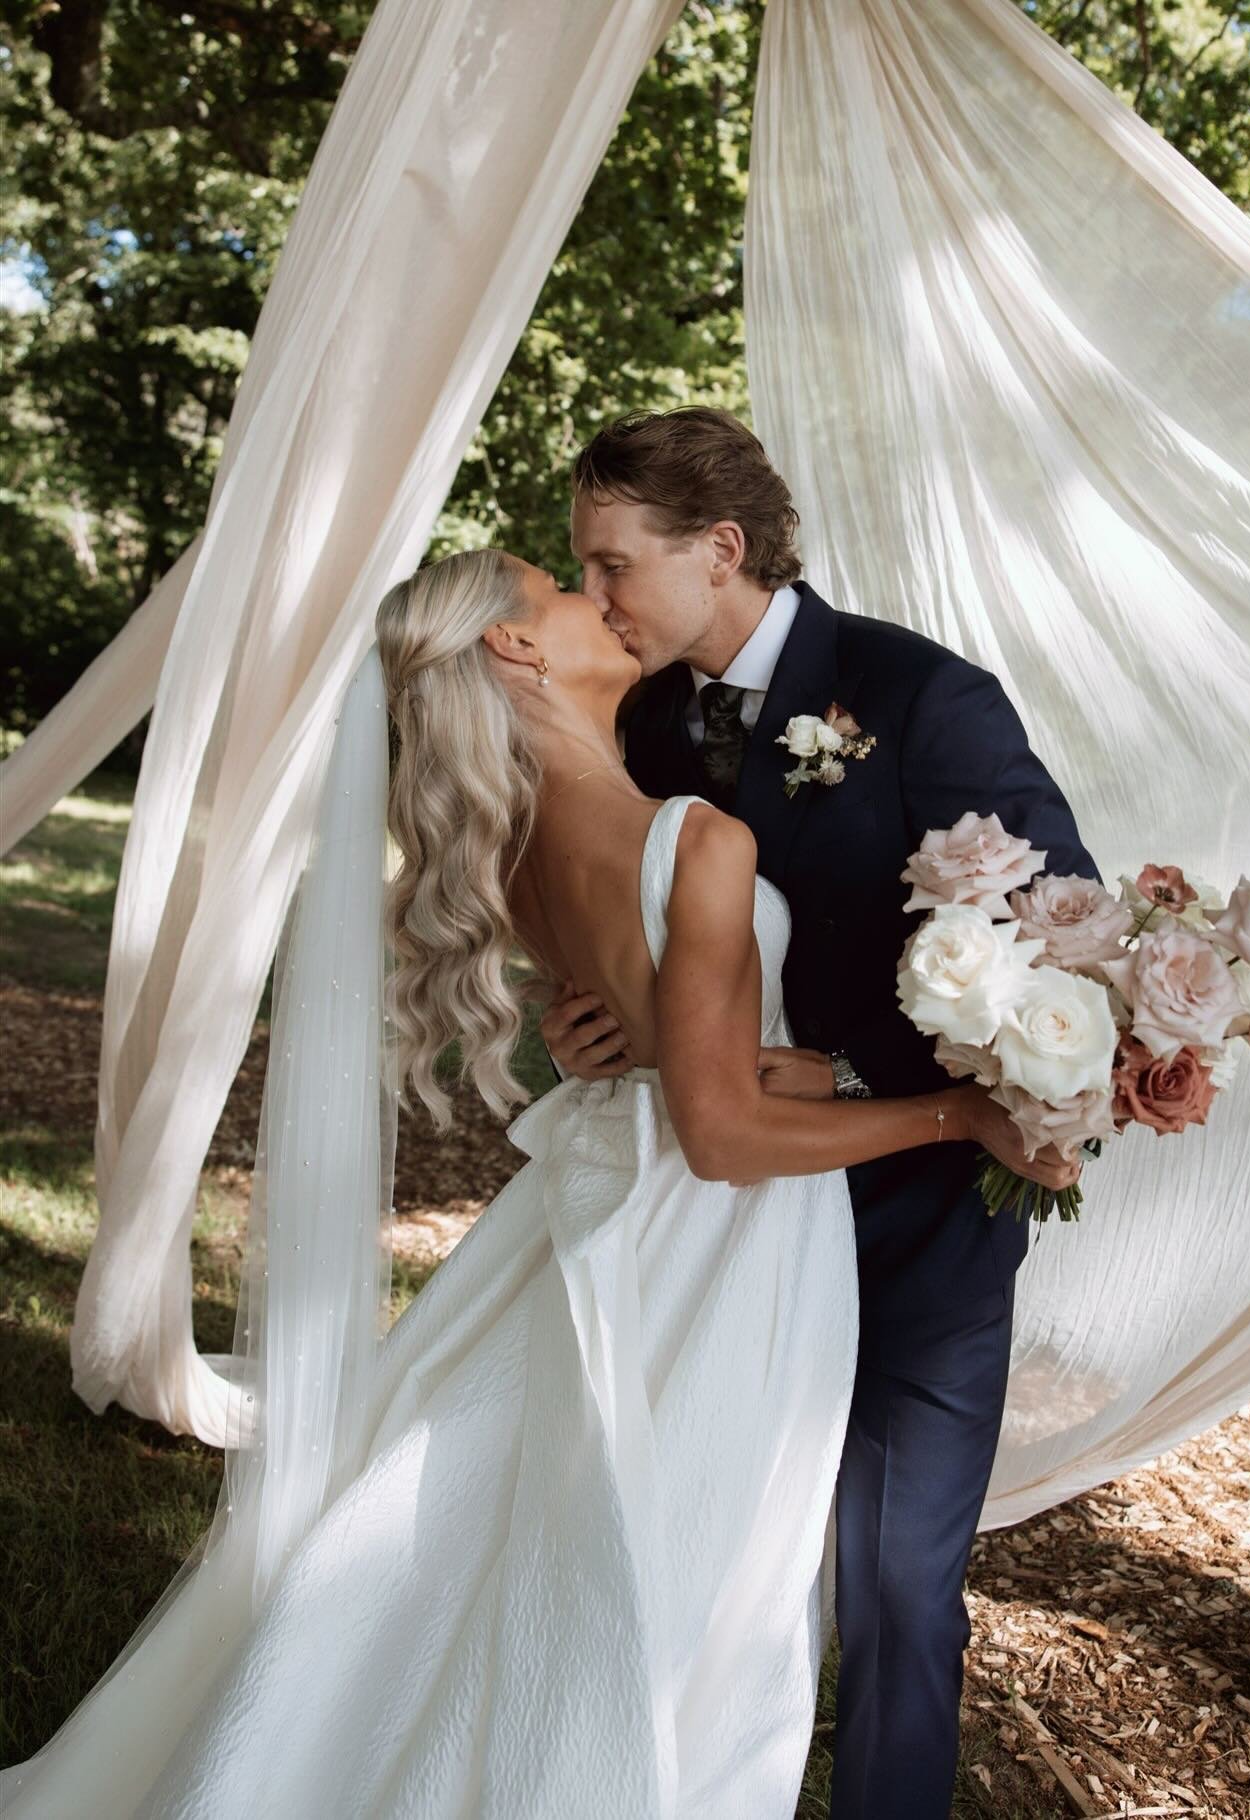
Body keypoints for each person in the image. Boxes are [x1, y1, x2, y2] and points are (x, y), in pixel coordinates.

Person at [0, 544, 1075, 1819]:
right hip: (715, 1246)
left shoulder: (511, 846)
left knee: (500, 1539)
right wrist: (960, 1111)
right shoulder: (697, 839)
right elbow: (721, 1132)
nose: (598, 600)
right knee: (684, 1576)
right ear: (516, 648)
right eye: (564, 588)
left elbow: (666, 1054)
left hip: (591, 1211)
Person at [542, 406, 1103, 1818]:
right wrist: (596, 1017)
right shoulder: (646, 718)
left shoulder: (921, 696)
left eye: (611, 564)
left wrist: (855, 1071)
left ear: (719, 547)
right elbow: (657, 936)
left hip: (920, 1224)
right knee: (692, 1553)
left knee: (900, 1588)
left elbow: (1062, 944)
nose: (592, 599)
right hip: (721, 1218)